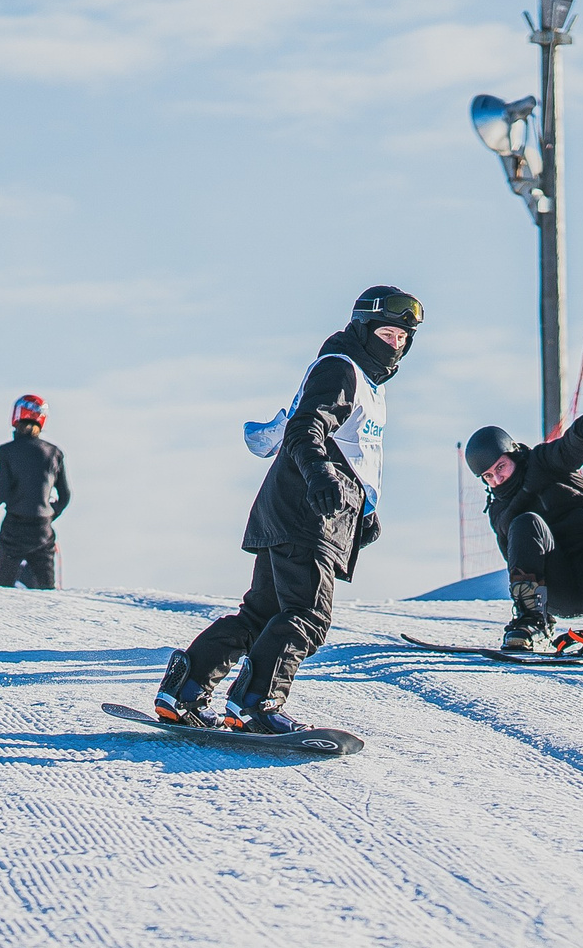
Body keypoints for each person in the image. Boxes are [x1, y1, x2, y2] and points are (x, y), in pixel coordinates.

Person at [155, 285, 421, 734]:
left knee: (261, 615)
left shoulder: (367, 384)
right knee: (307, 616)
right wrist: (319, 476)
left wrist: (364, 512)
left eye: (403, 338)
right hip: (306, 510)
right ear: (363, 328)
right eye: (388, 333)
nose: (394, 344)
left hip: (306, 509)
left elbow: (356, 453)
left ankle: (184, 690)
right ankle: (256, 703)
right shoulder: (342, 369)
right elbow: (306, 428)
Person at [464, 414, 583, 654]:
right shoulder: (499, 511)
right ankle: (532, 624)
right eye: (488, 476)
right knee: (526, 523)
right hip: (557, 590)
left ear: (513, 454)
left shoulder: (543, 461)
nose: (498, 479)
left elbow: (567, 450)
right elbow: (516, 561)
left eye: (500, 467)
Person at [0, 394, 71, 588]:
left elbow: (1, 493)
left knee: (1, 588)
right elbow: (65, 496)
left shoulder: (6, 451)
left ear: (16, 416)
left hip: (14, 529)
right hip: (42, 530)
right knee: (46, 591)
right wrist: (51, 513)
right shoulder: (55, 453)